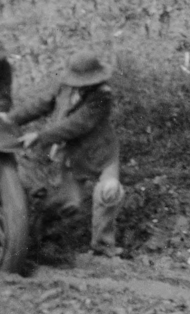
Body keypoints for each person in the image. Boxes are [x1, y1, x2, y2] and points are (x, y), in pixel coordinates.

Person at [8, 52, 125, 257]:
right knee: (69, 204)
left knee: (110, 191)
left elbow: (77, 124)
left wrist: (40, 136)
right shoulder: (63, 85)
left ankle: (103, 246)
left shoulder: (103, 95)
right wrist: (11, 119)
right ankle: (37, 233)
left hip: (101, 153)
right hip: (72, 155)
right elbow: (41, 104)